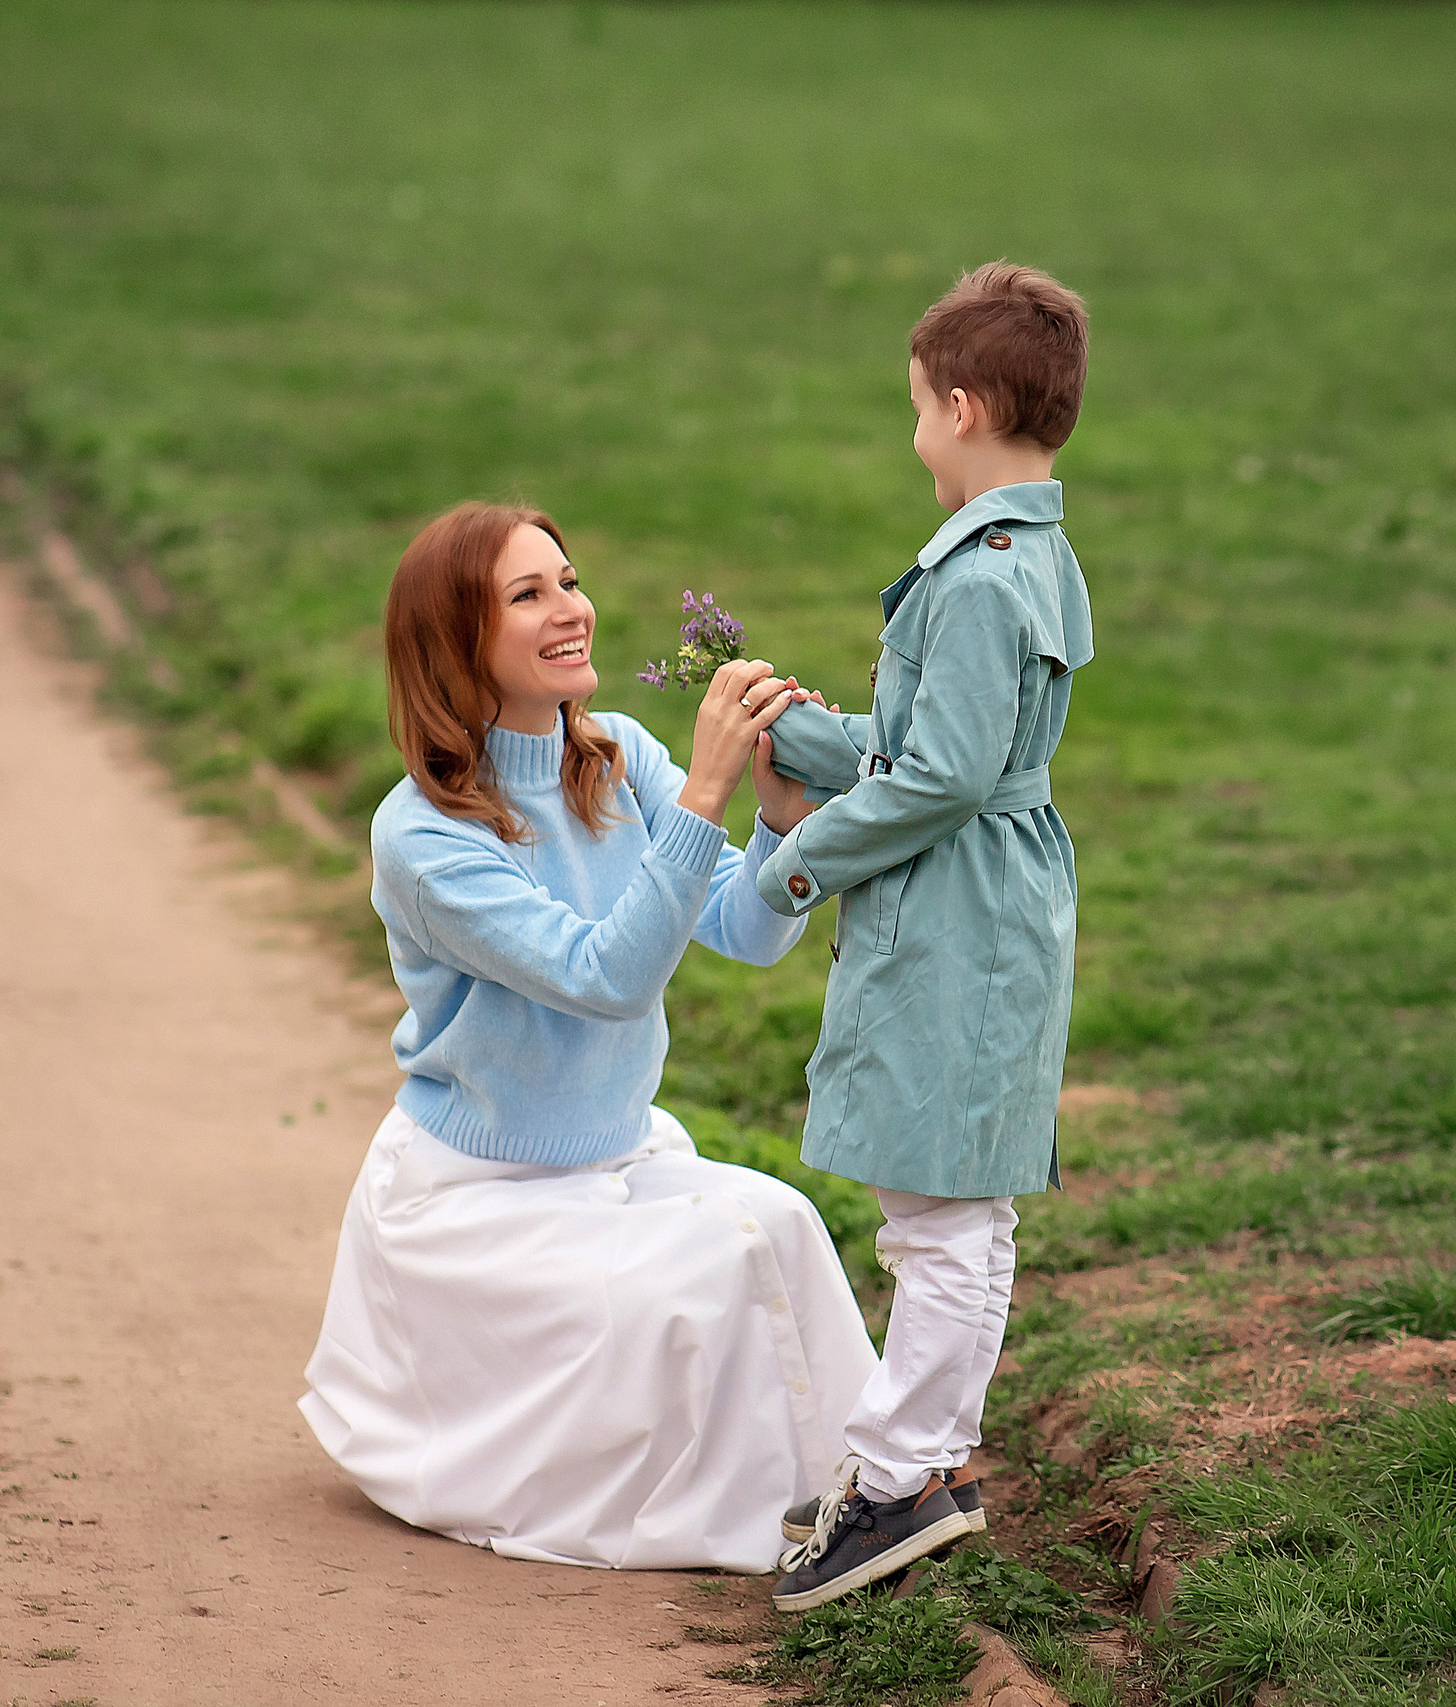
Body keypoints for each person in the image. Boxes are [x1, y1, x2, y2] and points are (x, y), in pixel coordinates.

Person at [299, 501, 877, 1573]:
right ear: (457, 642)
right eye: (528, 595)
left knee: (782, 1223)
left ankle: (863, 1492)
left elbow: (744, 932)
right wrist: (702, 790)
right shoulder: (421, 836)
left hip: (611, 1152)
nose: (571, 610)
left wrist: (780, 822)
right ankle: (785, 1518)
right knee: (712, 1266)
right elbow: (602, 979)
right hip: (480, 1195)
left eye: (567, 581)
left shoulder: (618, 755)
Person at [754, 263, 1095, 1610]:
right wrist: (795, 729)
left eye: (914, 411)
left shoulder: (973, 579)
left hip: (958, 910)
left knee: (939, 1214)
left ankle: (895, 1481)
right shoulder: (1033, 555)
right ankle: (933, 1458)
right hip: (996, 896)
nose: (912, 437)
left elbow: (942, 779)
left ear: (960, 408)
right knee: (964, 1205)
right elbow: (938, 750)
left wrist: (795, 861)